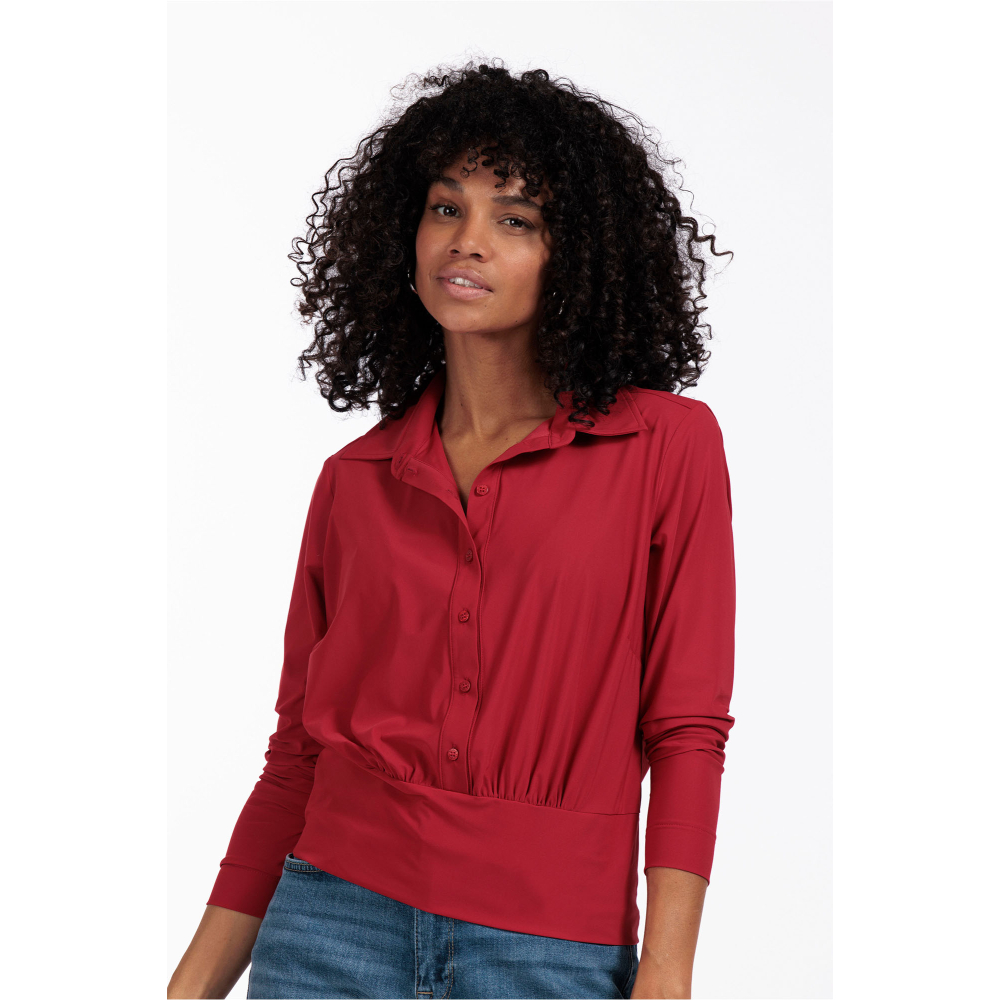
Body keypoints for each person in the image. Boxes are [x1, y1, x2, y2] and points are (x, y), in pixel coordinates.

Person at [168, 60, 736, 1000]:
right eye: (445, 209)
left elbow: (685, 730)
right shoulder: (355, 481)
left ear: (574, 254)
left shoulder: (664, 447)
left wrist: (668, 973)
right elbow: (299, 752)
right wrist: (190, 986)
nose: (467, 241)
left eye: (515, 220)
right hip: (327, 930)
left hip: (547, 950)